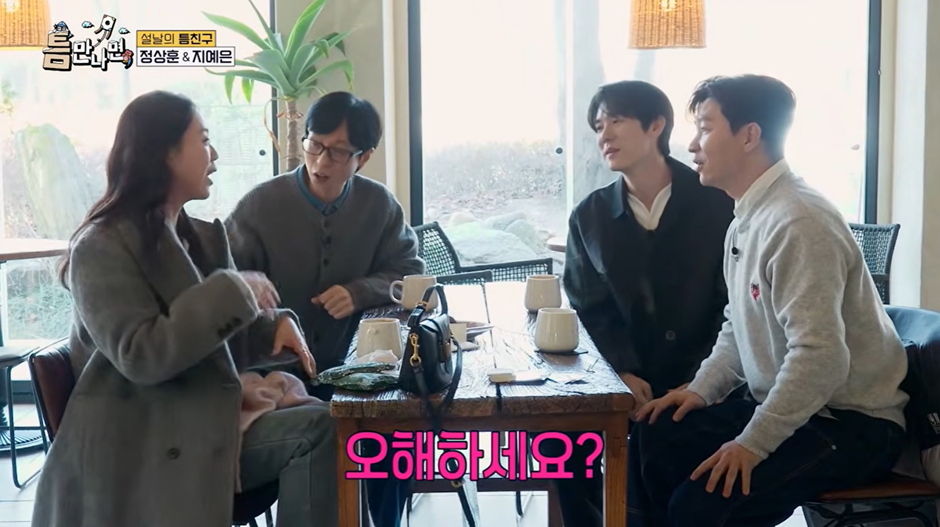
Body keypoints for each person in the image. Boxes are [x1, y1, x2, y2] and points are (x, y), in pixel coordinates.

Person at [32, 91, 338, 527]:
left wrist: (272, 330)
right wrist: (233, 290)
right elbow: (143, 355)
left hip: (203, 417)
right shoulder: (100, 246)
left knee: (335, 422)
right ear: (165, 153)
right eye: (204, 140)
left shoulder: (203, 238)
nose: (214, 155)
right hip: (144, 436)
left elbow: (217, 344)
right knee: (320, 432)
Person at [630, 74, 909, 527]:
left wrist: (752, 444)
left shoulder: (799, 221)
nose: (693, 145)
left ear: (749, 136)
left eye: (705, 127)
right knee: (658, 433)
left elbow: (821, 358)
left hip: (850, 423)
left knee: (701, 506)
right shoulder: (746, 218)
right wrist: (700, 390)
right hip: (790, 407)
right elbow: (737, 326)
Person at [225, 91, 422, 527]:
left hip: (356, 372)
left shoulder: (379, 206)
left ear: (363, 157)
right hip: (276, 379)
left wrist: (361, 291)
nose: (320, 161)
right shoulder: (260, 206)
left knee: (397, 433)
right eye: (314, 144)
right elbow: (223, 285)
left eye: (338, 151)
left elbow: (411, 273)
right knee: (334, 440)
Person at [551, 80, 734, 526]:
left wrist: (700, 380)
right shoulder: (590, 215)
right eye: (598, 126)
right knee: (559, 441)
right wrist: (621, 372)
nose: (605, 135)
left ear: (656, 125)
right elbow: (589, 307)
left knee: (663, 446)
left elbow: (732, 305)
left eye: (616, 120)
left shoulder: (718, 203)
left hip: (708, 379)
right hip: (620, 378)